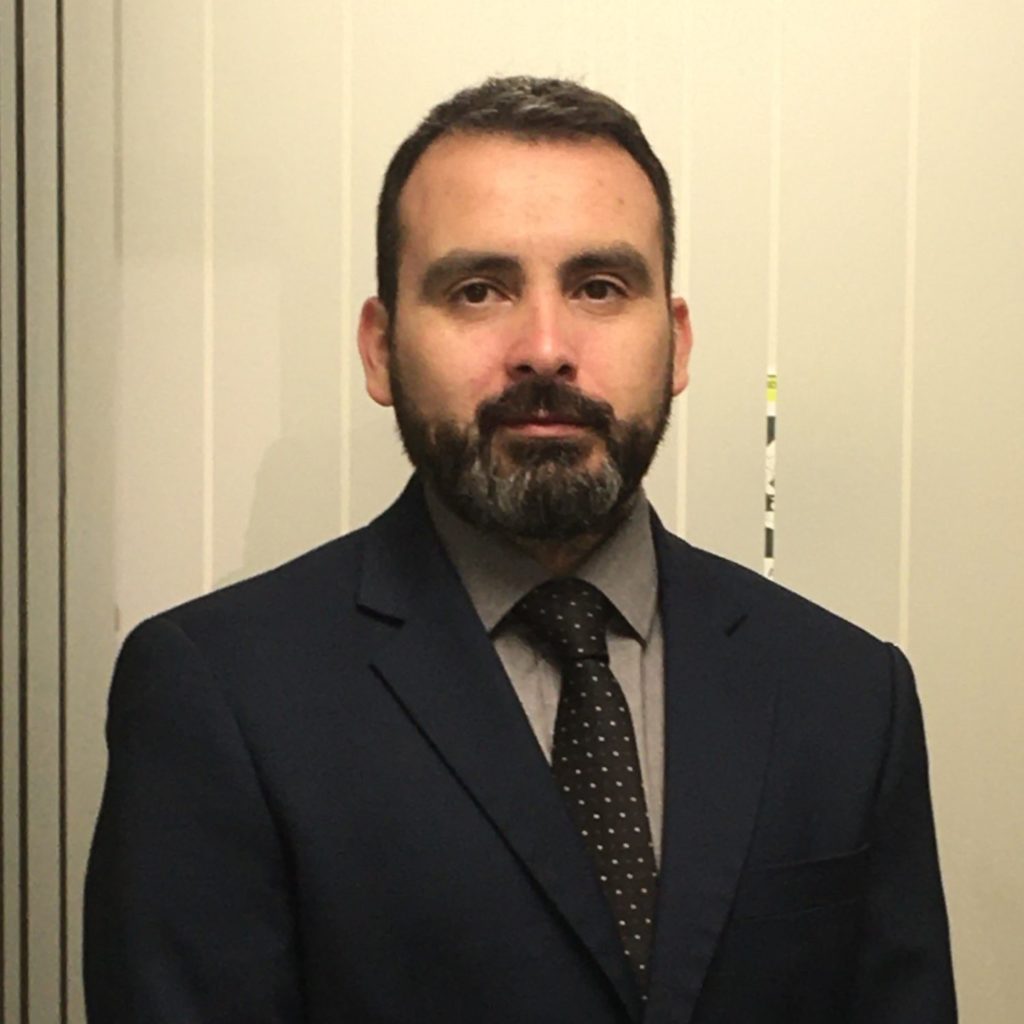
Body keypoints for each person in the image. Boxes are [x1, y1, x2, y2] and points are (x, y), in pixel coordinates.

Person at [84, 76, 957, 1023]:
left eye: (599, 287)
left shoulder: (847, 695)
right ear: (380, 349)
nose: (544, 347)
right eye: (478, 290)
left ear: (676, 343)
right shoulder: (219, 696)